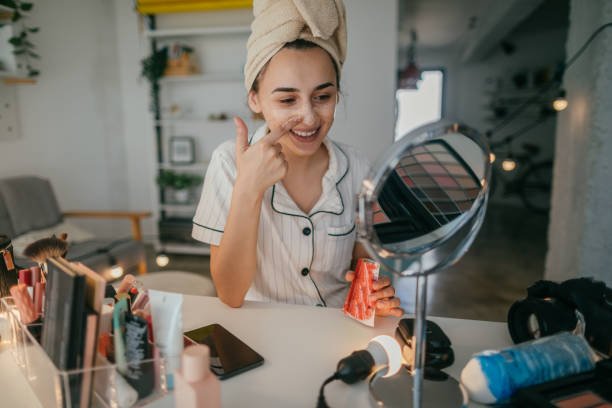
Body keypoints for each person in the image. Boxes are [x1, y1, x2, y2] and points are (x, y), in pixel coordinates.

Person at [192, 0, 403, 316]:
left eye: (323, 97)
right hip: (265, 334)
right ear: (255, 98)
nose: (308, 117)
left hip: (340, 330)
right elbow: (230, 294)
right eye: (288, 99)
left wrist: (371, 296)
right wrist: (248, 188)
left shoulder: (358, 167)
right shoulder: (228, 163)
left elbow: (364, 261)